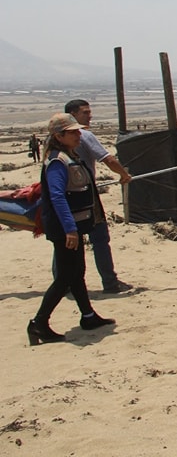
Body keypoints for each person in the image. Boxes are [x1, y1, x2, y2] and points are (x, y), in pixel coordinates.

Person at [28, 113, 116, 345]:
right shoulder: (58, 161)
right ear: (59, 136)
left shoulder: (69, 156)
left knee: (77, 272)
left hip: (73, 225)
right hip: (64, 228)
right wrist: (69, 229)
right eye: (73, 132)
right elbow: (57, 197)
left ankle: (88, 316)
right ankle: (39, 323)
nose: (79, 135)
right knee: (66, 276)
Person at [63, 99, 133, 293]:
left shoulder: (55, 138)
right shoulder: (84, 135)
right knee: (99, 238)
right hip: (85, 195)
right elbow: (107, 159)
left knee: (67, 241)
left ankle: (63, 283)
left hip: (66, 196)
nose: (90, 116)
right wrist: (124, 175)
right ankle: (110, 283)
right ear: (73, 115)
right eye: (85, 112)